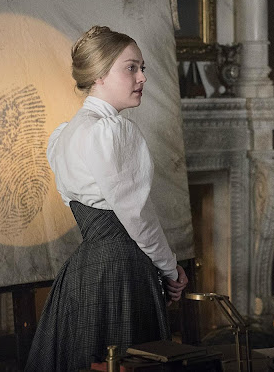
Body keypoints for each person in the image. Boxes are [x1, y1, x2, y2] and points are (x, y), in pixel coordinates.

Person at [25, 26, 187, 371]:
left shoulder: (64, 135)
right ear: (99, 76)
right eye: (131, 68)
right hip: (122, 268)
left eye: (142, 68)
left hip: (87, 270)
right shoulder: (111, 131)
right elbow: (137, 217)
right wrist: (170, 268)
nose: (142, 77)